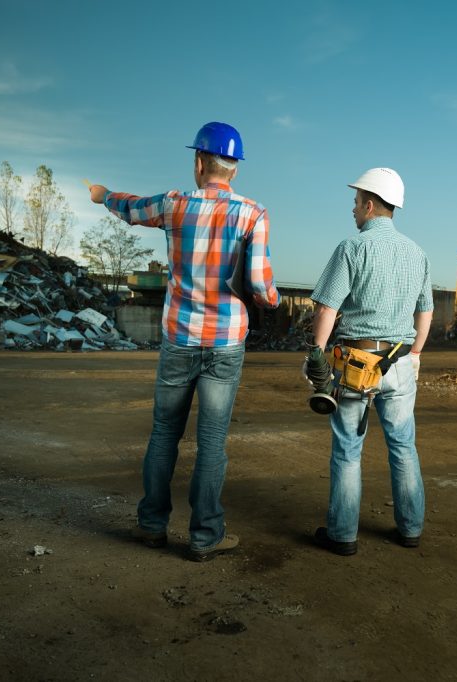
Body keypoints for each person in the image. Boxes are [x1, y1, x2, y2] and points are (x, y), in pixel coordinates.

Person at [87, 121, 280, 562]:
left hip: (179, 339)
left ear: (198, 162)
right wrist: (268, 297)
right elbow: (259, 284)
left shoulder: (175, 206)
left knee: (163, 433)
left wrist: (102, 195)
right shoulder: (253, 214)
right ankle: (204, 536)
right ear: (234, 170)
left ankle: (152, 526)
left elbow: (130, 207)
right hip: (225, 344)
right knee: (212, 442)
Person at [306, 167, 433, 556]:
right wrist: (415, 354)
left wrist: (316, 351)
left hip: (356, 365)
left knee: (348, 449)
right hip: (399, 363)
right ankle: (410, 529)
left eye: (357, 201)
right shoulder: (417, 252)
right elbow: (425, 313)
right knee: (403, 446)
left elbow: (327, 307)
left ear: (371, 204)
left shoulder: (352, 248)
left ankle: (343, 535)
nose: (353, 208)